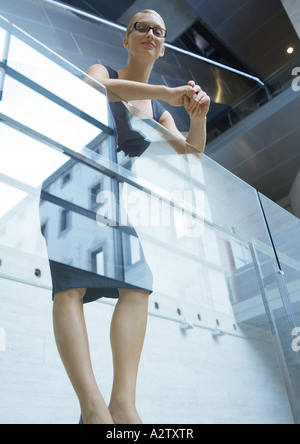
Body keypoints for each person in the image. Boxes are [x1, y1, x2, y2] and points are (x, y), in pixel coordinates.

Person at [51, 9, 210, 425]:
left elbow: (192, 154)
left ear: (162, 46)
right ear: (127, 38)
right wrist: (166, 90)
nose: (151, 34)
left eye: (159, 31)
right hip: (73, 185)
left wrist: (198, 118)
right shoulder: (104, 69)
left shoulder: (161, 108)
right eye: (142, 26)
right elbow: (94, 88)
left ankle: (122, 404)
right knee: (73, 285)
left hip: (112, 202)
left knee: (138, 284)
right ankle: (92, 406)